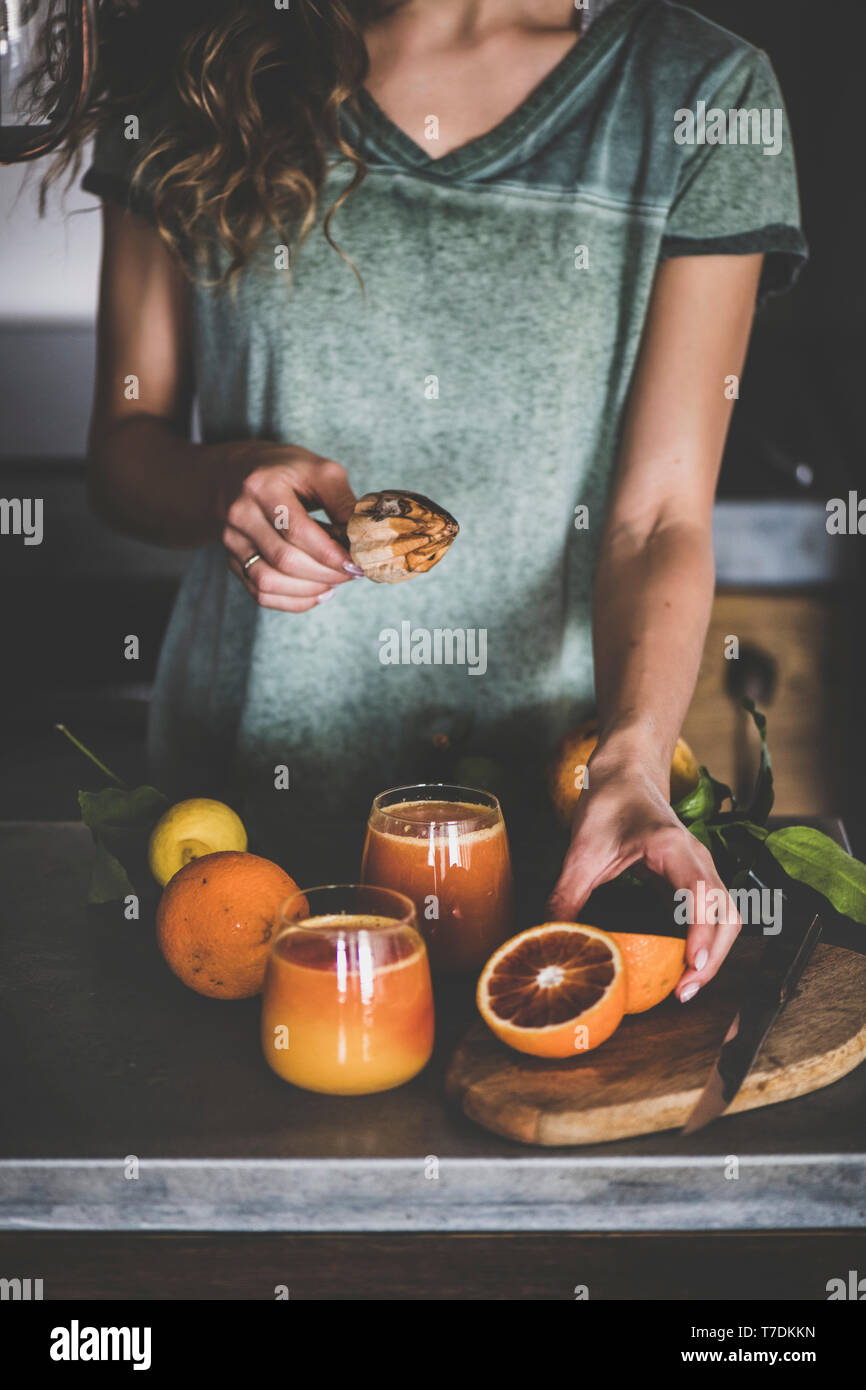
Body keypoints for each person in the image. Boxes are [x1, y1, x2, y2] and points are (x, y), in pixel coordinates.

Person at [56, 0, 806, 999]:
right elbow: (123, 453)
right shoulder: (196, 55)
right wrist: (220, 484)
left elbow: (658, 515)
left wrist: (628, 764)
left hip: (549, 841)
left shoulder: (698, 93)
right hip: (239, 835)